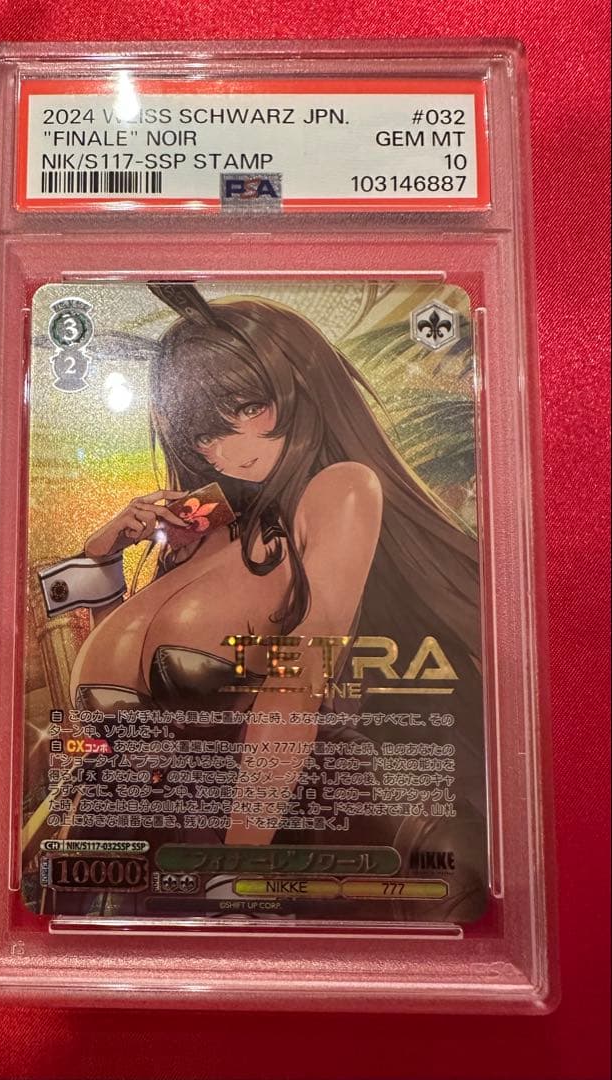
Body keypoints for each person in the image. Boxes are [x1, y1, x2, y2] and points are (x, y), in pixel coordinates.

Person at [69, 283, 485, 911]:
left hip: (228, 835)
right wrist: (102, 552)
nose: (221, 449)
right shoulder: (207, 523)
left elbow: (299, 681)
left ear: (297, 388)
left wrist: (241, 872)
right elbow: (108, 670)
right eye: (200, 431)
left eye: (245, 409)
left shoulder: (341, 487)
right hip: (106, 844)